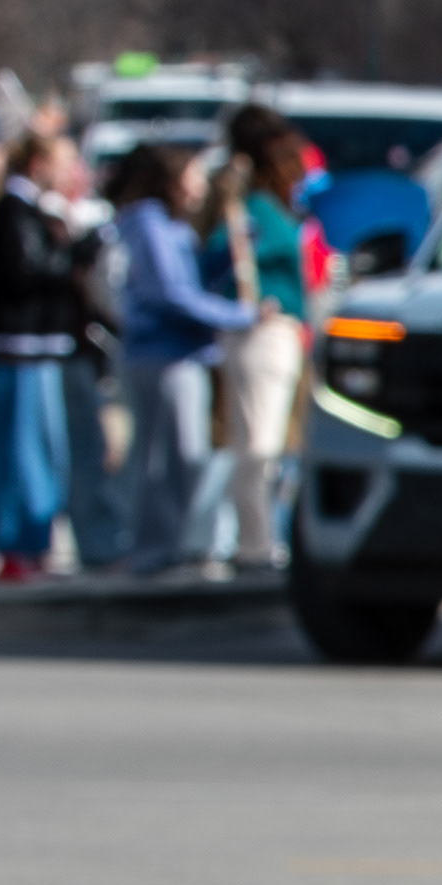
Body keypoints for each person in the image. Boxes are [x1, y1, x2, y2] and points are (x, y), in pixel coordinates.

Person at [0, 128, 100, 584]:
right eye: (62, 163)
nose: (70, 172)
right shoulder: (15, 209)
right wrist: (77, 252)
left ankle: (33, 546)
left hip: (34, 348)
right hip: (15, 349)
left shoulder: (28, 209)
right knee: (22, 453)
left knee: (40, 452)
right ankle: (19, 547)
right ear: (39, 166)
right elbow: (27, 270)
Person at [113, 140, 252, 576]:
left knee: (183, 457)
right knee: (162, 460)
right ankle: (156, 551)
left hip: (182, 351)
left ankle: (175, 545)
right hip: (161, 352)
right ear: (171, 181)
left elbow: (188, 282)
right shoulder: (149, 225)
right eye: (192, 177)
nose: (198, 186)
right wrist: (237, 315)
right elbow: (170, 294)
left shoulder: (169, 225)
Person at [207, 104, 319, 567]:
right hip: (261, 335)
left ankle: (268, 536)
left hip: (288, 335)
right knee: (259, 446)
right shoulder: (250, 211)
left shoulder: (278, 211)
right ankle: (255, 544)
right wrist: (245, 302)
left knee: (279, 446)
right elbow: (219, 258)